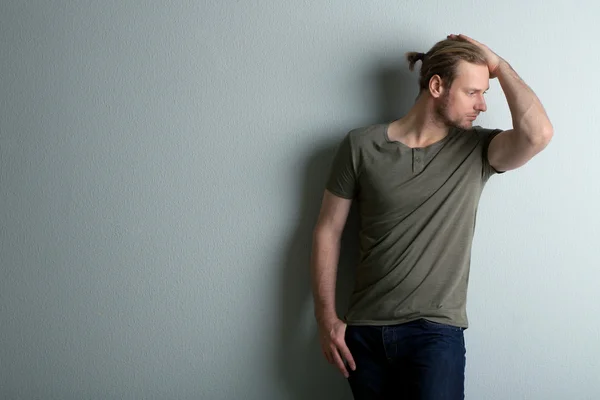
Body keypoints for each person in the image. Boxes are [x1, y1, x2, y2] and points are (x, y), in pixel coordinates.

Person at [309, 34, 553, 399]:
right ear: (437, 86)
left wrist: (499, 66)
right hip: (364, 335)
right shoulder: (361, 145)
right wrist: (326, 320)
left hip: (435, 335)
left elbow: (538, 134)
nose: (483, 105)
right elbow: (327, 231)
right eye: (473, 92)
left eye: (484, 92)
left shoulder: (479, 151)